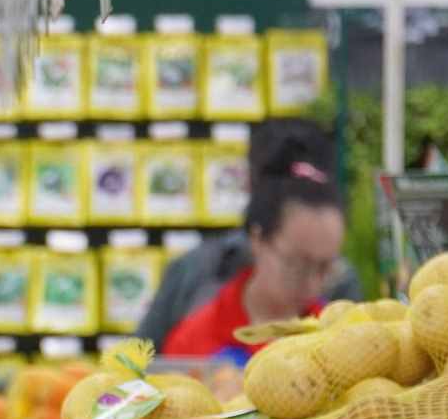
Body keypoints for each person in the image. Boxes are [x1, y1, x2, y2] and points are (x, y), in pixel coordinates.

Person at [138, 120, 359, 359]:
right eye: (297, 265)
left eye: (326, 269)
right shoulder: (196, 327)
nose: (313, 286)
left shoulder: (338, 336)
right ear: (258, 240)